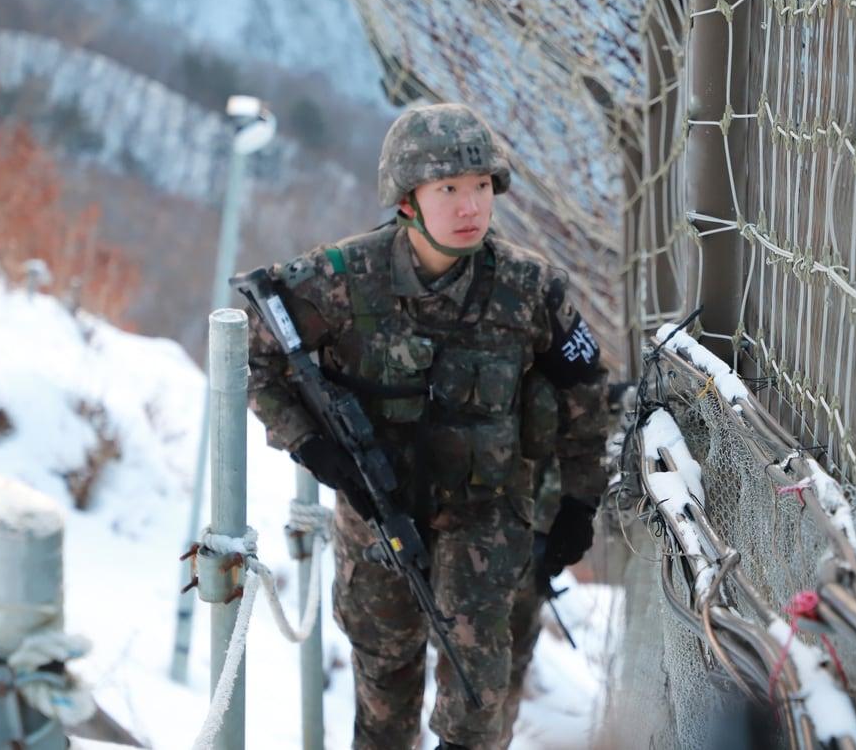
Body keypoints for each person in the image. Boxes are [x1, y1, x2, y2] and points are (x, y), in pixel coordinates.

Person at [245, 102, 608, 750]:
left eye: (480, 188)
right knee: (385, 696)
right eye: (449, 189)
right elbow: (256, 356)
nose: (471, 206)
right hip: (379, 520)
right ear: (407, 199)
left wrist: (579, 500)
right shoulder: (343, 280)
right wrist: (312, 446)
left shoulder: (529, 288)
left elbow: (584, 392)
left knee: (477, 705)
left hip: (486, 519)